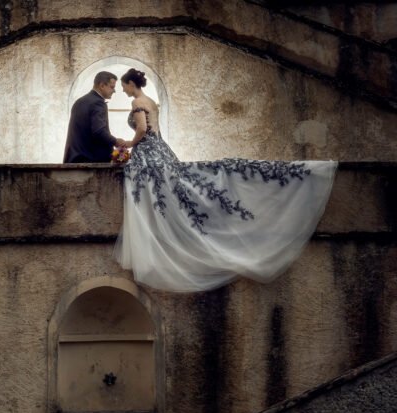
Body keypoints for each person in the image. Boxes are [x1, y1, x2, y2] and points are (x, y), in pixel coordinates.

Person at [113, 68, 336, 292]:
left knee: (150, 189)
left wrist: (129, 145)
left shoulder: (138, 102)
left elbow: (142, 128)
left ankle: (158, 239)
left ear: (131, 83)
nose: (123, 89)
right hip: (160, 148)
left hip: (148, 150)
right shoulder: (151, 100)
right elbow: (157, 132)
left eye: (124, 85)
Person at [63, 71, 126, 163]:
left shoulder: (79, 101)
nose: (114, 91)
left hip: (74, 159)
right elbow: (98, 132)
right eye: (112, 87)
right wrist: (116, 141)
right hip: (91, 161)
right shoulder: (98, 103)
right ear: (102, 85)